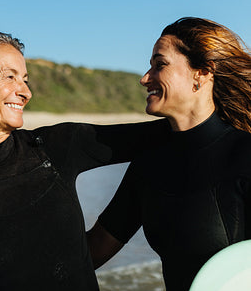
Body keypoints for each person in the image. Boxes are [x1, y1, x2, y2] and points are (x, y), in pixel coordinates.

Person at [0, 29, 170, 290]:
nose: (25, 92)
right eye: (10, 77)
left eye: (25, 80)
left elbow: (162, 135)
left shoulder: (57, 145)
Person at [88, 17, 251, 290]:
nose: (144, 78)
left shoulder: (245, 155)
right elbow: (96, 248)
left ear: (202, 72)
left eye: (159, 64)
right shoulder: (150, 163)